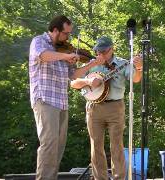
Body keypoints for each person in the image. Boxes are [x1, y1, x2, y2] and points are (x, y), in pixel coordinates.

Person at [29, 15, 104, 180]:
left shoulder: (63, 48)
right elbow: (42, 56)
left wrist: (92, 64)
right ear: (55, 30)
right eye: (65, 34)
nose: (68, 38)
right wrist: (66, 56)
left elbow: (73, 75)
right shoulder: (39, 41)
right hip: (45, 99)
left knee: (58, 146)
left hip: (61, 101)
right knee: (48, 144)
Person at [70, 36, 143, 180]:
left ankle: (119, 178)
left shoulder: (123, 63)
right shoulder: (91, 63)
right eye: (98, 51)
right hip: (94, 107)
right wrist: (88, 81)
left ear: (112, 48)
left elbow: (136, 79)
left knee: (117, 145)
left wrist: (139, 67)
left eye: (104, 51)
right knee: (96, 146)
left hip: (115, 107)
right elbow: (73, 82)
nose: (101, 54)